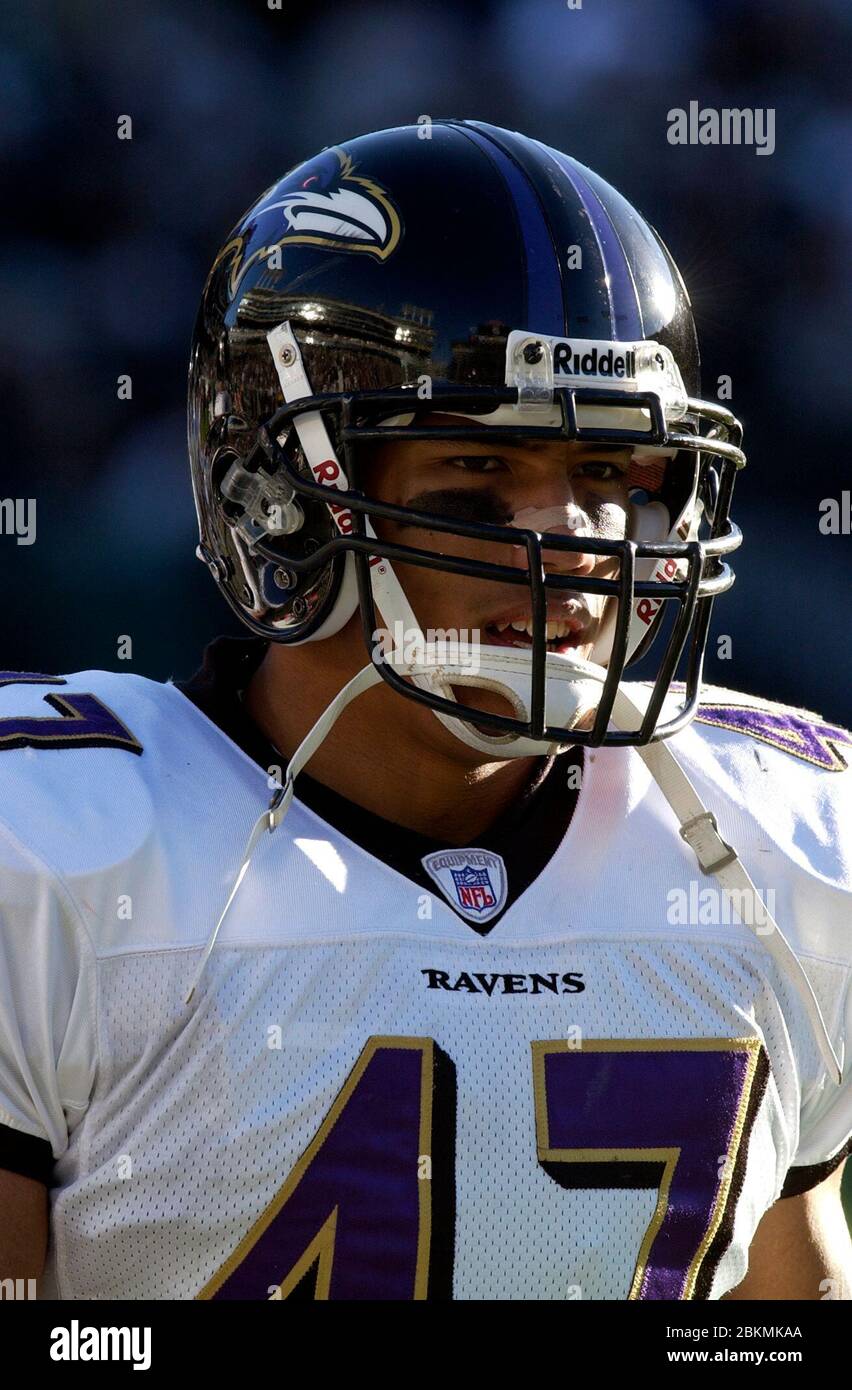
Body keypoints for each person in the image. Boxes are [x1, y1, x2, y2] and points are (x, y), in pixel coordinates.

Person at [1, 120, 849, 1301]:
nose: (577, 539)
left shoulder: (784, 841)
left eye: (610, 474)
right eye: (481, 475)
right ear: (282, 496)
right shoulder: (53, 848)